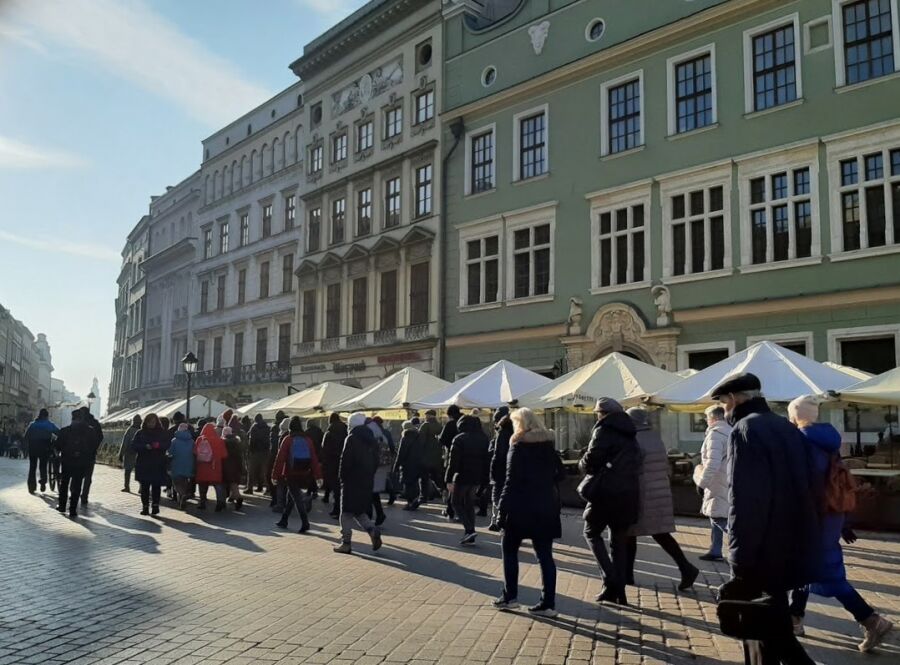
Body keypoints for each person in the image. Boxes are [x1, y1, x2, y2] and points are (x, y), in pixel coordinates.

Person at [713, 374, 821, 665]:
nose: (724, 410)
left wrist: (739, 556)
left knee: (769, 631)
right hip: (791, 541)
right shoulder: (785, 427)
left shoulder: (745, 430)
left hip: (762, 549)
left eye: (723, 403)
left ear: (734, 399)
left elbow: (745, 500)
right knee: (770, 628)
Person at [787, 395, 893, 652]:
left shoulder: (803, 443)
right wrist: (843, 521)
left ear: (795, 415)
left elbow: (805, 487)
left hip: (815, 518)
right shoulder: (828, 440)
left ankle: (871, 620)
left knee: (827, 573)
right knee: (804, 567)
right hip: (831, 515)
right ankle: (794, 618)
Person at [493, 408, 565, 617]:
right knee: (545, 556)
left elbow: (510, 482)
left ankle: (510, 597)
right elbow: (560, 475)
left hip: (520, 507)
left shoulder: (518, 447)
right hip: (545, 506)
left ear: (521, 425)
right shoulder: (548, 446)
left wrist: (500, 511)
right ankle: (548, 603)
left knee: (509, 550)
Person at [624, 408, 699, 591]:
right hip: (659, 490)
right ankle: (685, 567)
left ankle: (627, 575)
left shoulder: (633, 439)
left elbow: (632, 466)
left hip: (642, 492)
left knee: (630, 532)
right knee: (659, 533)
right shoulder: (654, 436)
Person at [579, 398, 642, 606]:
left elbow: (591, 461)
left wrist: (582, 462)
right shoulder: (631, 431)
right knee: (618, 542)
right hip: (628, 493)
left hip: (605, 493)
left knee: (591, 532)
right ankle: (619, 590)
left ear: (603, 413)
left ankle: (611, 580)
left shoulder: (603, 430)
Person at [334, 412, 382, 554]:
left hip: (351, 480)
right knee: (359, 511)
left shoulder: (351, 438)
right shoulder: (371, 438)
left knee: (345, 513)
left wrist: (342, 478)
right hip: (366, 480)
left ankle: (346, 543)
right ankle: (372, 530)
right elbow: (376, 460)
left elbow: (345, 460)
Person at [694, 405, 732, 562]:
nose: (706, 421)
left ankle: (745, 547)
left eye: (706, 418)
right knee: (717, 514)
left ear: (713, 418)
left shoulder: (715, 434)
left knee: (718, 517)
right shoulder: (729, 430)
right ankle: (715, 549)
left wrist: (701, 483)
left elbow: (712, 463)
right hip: (727, 477)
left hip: (718, 480)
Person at [446, 414, 491, 546]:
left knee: (456, 502)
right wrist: (484, 479)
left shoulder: (459, 439)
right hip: (477, 477)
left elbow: (452, 462)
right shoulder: (484, 438)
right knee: (469, 503)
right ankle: (470, 533)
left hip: (462, 476)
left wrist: (448, 479)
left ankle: (469, 530)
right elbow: (487, 460)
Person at [274, 416, 322, 533]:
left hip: (291, 473)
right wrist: (318, 476)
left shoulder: (288, 439)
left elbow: (280, 459)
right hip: (305, 472)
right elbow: (314, 459)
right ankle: (284, 520)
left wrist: (275, 475)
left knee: (297, 498)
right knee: (291, 496)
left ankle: (305, 522)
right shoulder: (308, 440)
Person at [54, 409, 99, 518]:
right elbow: (94, 446)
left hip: (67, 460)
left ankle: (62, 505)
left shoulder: (65, 431)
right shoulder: (90, 431)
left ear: (72, 418)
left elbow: (57, 446)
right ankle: (73, 509)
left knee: (64, 483)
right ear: (82, 418)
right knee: (77, 484)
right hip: (81, 462)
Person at [131, 413, 170, 516]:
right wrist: (144, 446)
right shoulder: (140, 433)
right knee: (144, 487)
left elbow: (167, 444)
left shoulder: (162, 433)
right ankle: (145, 507)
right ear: (146, 422)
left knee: (156, 486)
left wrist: (159, 446)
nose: (151, 424)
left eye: (153, 422)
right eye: (149, 422)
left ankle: (155, 505)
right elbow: (134, 445)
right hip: (144, 463)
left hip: (158, 463)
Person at [488, 407, 513, 532]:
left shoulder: (502, 433)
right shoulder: (517, 431)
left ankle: (497, 520)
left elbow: (498, 455)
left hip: (501, 470)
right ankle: (499, 519)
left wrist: (493, 473)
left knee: (498, 496)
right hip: (512, 470)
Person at [194, 422, 228, 511]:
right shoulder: (219, 440)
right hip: (215, 466)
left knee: (202, 485)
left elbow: (195, 452)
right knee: (218, 485)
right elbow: (224, 455)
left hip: (202, 466)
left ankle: (202, 502)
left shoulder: (199, 439)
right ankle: (220, 503)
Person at [24, 408, 59, 494]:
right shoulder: (49, 424)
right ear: (46, 416)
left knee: (32, 467)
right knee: (43, 466)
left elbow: (26, 436)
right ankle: (43, 482)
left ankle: (32, 486)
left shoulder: (33, 424)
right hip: (45, 447)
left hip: (33, 448)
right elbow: (59, 433)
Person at [394, 420, 423, 510]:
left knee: (407, 484)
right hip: (418, 463)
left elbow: (401, 453)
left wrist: (396, 466)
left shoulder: (405, 437)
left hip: (407, 464)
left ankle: (409, 503)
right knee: (414, 483)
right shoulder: (419, 436)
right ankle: (414, 501)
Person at [322, 413, 347, 519]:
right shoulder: (347, 431)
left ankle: (337, 509)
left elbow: (324, 449)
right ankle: (342, 508)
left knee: (335, 487)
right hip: (344, 461)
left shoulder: (329, 432)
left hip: (332, 463)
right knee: (342, 487)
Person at [438, 405, 461, 518]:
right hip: (467, 459)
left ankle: (450, 509)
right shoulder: (465, 423)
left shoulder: (451, 424)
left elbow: (442, 439)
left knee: (451, 482)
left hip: (452, 455)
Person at [367, 417, 391, 525]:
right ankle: (378, 514)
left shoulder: (369, 434)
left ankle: (370, 514)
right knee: (373, 491)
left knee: (369, 491)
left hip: (372, 466)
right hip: (382, 466)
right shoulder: (382, 435)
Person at [79, 406, 104, 507]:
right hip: (91, 453)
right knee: (88, 476)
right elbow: (101, 436)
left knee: (78, 475)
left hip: (79, 453)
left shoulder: (79, 423)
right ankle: (84, 495)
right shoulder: (95, 423)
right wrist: (95, 446)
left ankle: (75, 493)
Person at [418, 409, 443, 504]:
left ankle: (423, 496)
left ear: (428, 415)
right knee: (436, 477)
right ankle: (442, 490)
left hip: (425, 457)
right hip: (436, 456)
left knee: (423, 478)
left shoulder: (425, 425)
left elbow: (421, 441)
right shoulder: (439, 425)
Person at [168, 423, 195, 509]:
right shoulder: (191, 441)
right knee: (185, 481)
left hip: (176, 464)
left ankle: (182, 495)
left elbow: (170, 452)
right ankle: (182, 498)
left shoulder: (174, 441)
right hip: (189, 464)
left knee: (176, 482)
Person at [222, 426, 245, 511]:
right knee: (234, 483)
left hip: (227, 465)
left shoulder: (224, 442)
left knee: (231, 484)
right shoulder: (237, 441)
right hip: (236, 465)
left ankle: (238, 498)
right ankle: (233, 497)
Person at [267, 410, 288, 508]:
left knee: (273, 477)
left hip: (275, 455)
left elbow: (273, 444)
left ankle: (275, 499)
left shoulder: (275, 428)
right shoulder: (289, 428)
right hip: (288, 459)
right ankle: (284, 500)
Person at [246, 414, 270, 495]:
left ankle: (250, 488)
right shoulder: (267, 427)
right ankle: (267, 488)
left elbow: (251, 440)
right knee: (264, 471)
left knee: (251, 471)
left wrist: (249, 451)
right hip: (265, 451)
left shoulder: (254, 427)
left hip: (255, 451)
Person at [118, 415, 141, 493]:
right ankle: (141, 488)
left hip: (129, 453)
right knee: (139, 471)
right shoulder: (142, 430)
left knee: (127, 471)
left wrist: (121, 454)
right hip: (139, 454)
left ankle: (127, 487)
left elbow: (125, 443)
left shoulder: (130, 430)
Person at [305, 417, 325, 498]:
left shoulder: (306, 432)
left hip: (309, 455)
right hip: (318, 455)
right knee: (316, 473)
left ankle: (310, 490)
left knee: (309, 473)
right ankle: (315, 491)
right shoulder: (320, 431)